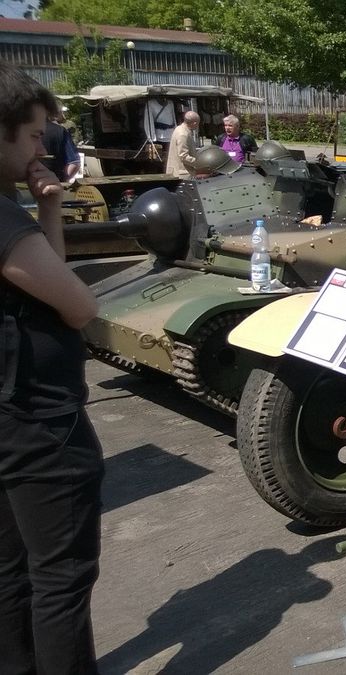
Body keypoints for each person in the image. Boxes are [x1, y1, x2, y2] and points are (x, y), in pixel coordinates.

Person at [0, 61, 104, 674]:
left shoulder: (13, 213)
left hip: (12, 414)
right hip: (38, 421)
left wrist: (50, 208)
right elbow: (79, 304)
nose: (42, 148)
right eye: (36, 135)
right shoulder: (1, 220)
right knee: (62, 577)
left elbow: (49, 274)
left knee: (11, 566)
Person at [40, 112, 80, 183]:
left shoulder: (20, 130)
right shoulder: (60, 131)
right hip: (53, 183)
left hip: (21, 185)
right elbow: (74, 163)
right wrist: (63, 180)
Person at [165, 110, 200, 178]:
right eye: (198, 123)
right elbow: (183, 156)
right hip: (181, 174)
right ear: (194, 123)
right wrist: (200, 163)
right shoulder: (183, 134)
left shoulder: (179, 128)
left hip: (180, 172)